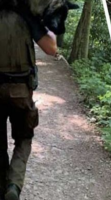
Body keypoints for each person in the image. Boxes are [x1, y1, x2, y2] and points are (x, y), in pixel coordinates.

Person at [0, 7, 57, 200]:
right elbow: (51, 48)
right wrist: (50, 26)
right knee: (24, 138)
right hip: (21, 91)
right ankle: (14, 184)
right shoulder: (25, 12)